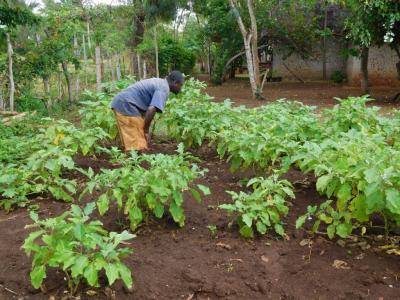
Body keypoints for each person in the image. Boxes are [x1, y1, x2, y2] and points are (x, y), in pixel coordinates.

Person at [111, 70, 184, 152]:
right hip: (127, 104)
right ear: (175, 82)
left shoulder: (160, 83)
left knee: (134, 139)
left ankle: (130, 159)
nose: (180, 89)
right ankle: (135, 161)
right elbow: (152, 109)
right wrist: (145, 130)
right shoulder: (164, 88)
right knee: (137, 145)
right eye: (180, 85)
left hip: (123, 103)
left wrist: (144, 127)